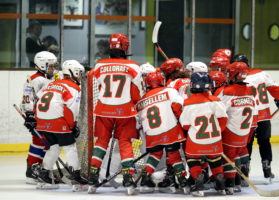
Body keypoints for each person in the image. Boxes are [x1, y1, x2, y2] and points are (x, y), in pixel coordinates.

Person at [88, 33, 143, 195]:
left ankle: (92, 175)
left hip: (103, 109)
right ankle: (128, 178)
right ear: (125, 47)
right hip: (125, 111)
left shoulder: (99, 65)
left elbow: (98, 88)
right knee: (125, 142)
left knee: (101, 142)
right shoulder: (133, 66)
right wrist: (136, 107)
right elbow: (137, 92)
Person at [232, 54, 279, 182]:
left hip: (249, 117)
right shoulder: (262, 74)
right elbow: (275, 88)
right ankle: (267, 170)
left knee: (247, 144)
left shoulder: (238, 78)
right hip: (264, 115)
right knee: (265, 142)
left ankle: (244, 170)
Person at [34, 60, 86, 189]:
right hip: (57, 120)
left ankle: (44, 174)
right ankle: (75, 176)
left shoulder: (52, 83)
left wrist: (37, 119)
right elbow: (71, 109)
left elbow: (39, 98)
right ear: (73, 73)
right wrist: (72, 126)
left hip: (41, 121)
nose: (80, 76)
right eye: (79, 73)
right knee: (70, 147)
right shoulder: (74, 87)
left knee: (54, 147)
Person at [136, 72, 187, 194]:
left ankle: (145, 179)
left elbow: (138, 123)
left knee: (154, 155)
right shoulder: (170, 91)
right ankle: (182, 180)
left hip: (152, 134)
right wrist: (181, 121)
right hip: (171, 130)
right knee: (174, 155)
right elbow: (177, 106)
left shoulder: (141, 100)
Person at [180, 72, 228, 196]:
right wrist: (217, 132)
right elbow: (223, 119)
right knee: (215, 158)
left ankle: (198, 178)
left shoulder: (188, 103)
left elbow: (185, 125)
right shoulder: (216, 100)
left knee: (192, 159)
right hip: (215, 140)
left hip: (196, 141)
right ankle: (220, 179)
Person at [217, 62, 256, 195]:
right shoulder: (249, 91)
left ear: (235, 74)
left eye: (229, 73)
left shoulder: (228, 91)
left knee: (229, 157)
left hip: (230, 132)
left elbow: (217, 109)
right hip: (243, 133)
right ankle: (238, 182)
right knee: (237, 155)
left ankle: (230, 184)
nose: (227, 75)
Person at [20, 51, 58, 184]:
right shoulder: (34, 79)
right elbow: (26, 99)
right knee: (38, 142)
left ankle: (41, 169)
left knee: (47, 143)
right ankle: (31, 171)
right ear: (41, 65)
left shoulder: (52, 78)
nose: (53, 68)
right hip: (38, 117)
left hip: (49, 116)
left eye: (54, 66)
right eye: (50, 66)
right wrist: (30, 116)